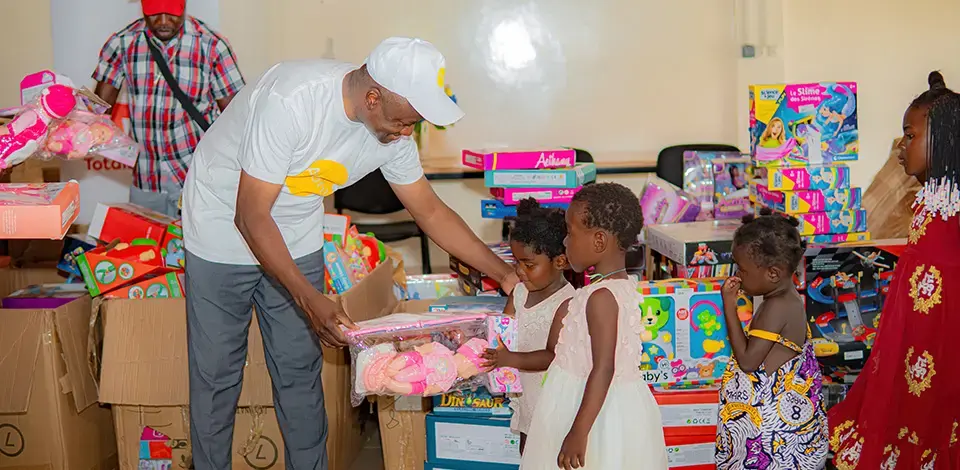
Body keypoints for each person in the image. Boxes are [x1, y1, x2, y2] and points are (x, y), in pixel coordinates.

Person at [180, 37, 519, 469]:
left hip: (296, 231)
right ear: (373, 97)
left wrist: (505, 274)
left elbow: (430, 211)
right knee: (216, 375)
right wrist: (309, 298)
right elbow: (250, 217)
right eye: (406, 120)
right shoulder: (292, 102)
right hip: (221, 228)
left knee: (298, 371)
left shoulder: (392, 133)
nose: (407, 132)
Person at [828, 71, 960, 469]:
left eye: (910, 135)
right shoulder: (929, 199)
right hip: (913, 328)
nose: (901, 146)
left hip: (943, 333)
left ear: (944, 139)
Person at [520, 183, 667, 470]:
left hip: (589, 411)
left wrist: (578, 432)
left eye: (570, 233)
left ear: (599, 241)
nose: (564, 242)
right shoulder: (616, 288)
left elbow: (604, 367)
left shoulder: (600, 297)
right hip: (607, 405)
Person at [92, 0, 244, 217]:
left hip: (195, 175)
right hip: (146, 176)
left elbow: (236, 117)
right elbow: (99, 110)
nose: (163, 22)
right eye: (154, 14)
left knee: (195, 249)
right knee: (143, 247)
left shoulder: (211, 46)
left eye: (171, 13)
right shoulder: (122, 43)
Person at [716, 208, 828, 469]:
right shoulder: (787, 299)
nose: (737, 274)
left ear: (773, 273)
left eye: (742, 269)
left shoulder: (775, 307)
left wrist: (729, 306)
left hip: (771, 438)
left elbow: (747, 361)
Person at [480, 198, 575, 453]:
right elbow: (502, 333)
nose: (520, 272)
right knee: (527, 451)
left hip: (551, 397)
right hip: (524, 393)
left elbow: (552, 356)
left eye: (529, 264)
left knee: (549, 453)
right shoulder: (519, 294)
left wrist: (508, 358)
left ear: (560, 262)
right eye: (516, 262)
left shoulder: (567, 302)